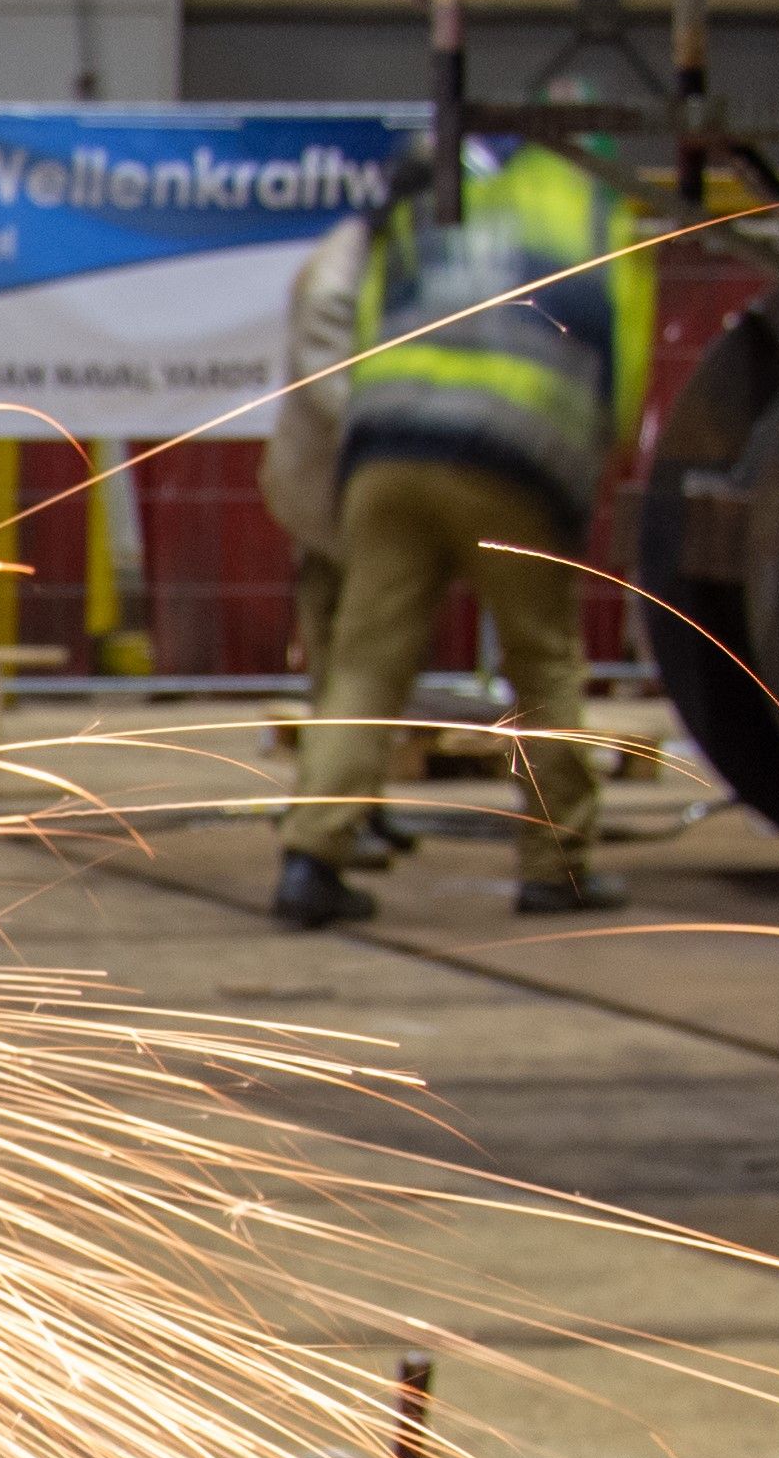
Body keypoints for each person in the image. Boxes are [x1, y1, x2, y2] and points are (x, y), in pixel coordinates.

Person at [272, 133, 649, 929]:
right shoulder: (593, 210)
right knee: (542, 666)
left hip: (387, 447)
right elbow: (624, 347)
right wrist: (589, 469)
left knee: (364, 665)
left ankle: (311, 857)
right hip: (512, 455)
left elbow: (371, 329)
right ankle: (555, 867)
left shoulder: (434, 206)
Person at [258, 201, 408, 872]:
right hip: (330, 499)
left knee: (368, 660)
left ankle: (358, 801)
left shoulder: (379, 261)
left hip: (365, 492)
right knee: (345, 662)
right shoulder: (334, 280)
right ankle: (326, 815)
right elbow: (331, 391)